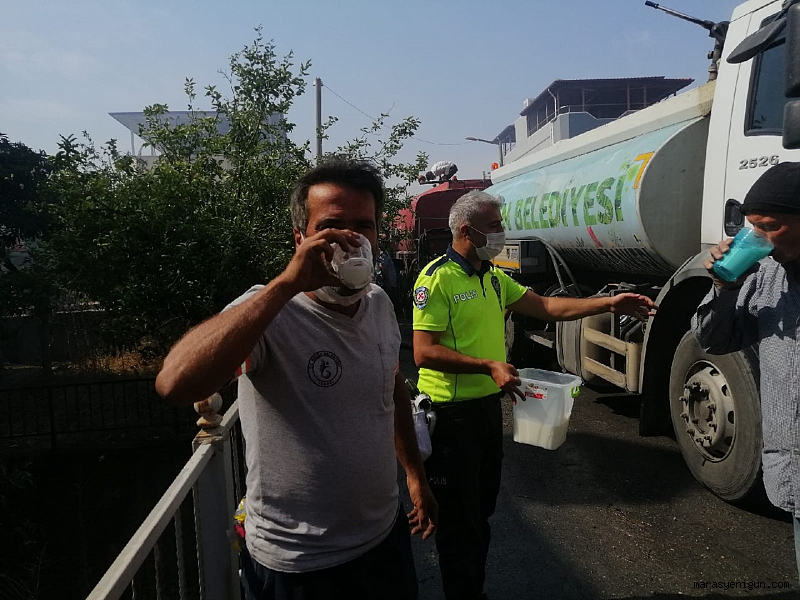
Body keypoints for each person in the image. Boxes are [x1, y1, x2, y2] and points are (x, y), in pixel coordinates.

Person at [156, 157, 436, 600]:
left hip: (383, 542)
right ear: (300, 238)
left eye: (363, 226)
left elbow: (392, 391)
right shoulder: (269, 310)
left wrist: (415, 474)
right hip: (298, 563)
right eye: (331, 226)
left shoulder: (379, 304)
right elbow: (175, 384)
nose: (350, 239)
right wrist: (286, 284)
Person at [411, 190, 656, 600]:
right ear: (468, 232)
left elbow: (545, 306)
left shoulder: (492, 277)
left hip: (486, 412)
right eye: (494, 226)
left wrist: (610, 303)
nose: (502, 233)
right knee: (459, 524)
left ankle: (473, 592)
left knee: (481, 512)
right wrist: (488, 366)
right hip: (451, 419)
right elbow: (423, 352)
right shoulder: (436, 279)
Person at [691, 162, 800, 580]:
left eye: (769, 226)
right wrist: (724, 286)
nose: (758, 238)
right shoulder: (767, 275)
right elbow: (714, 339)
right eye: (752, 226)